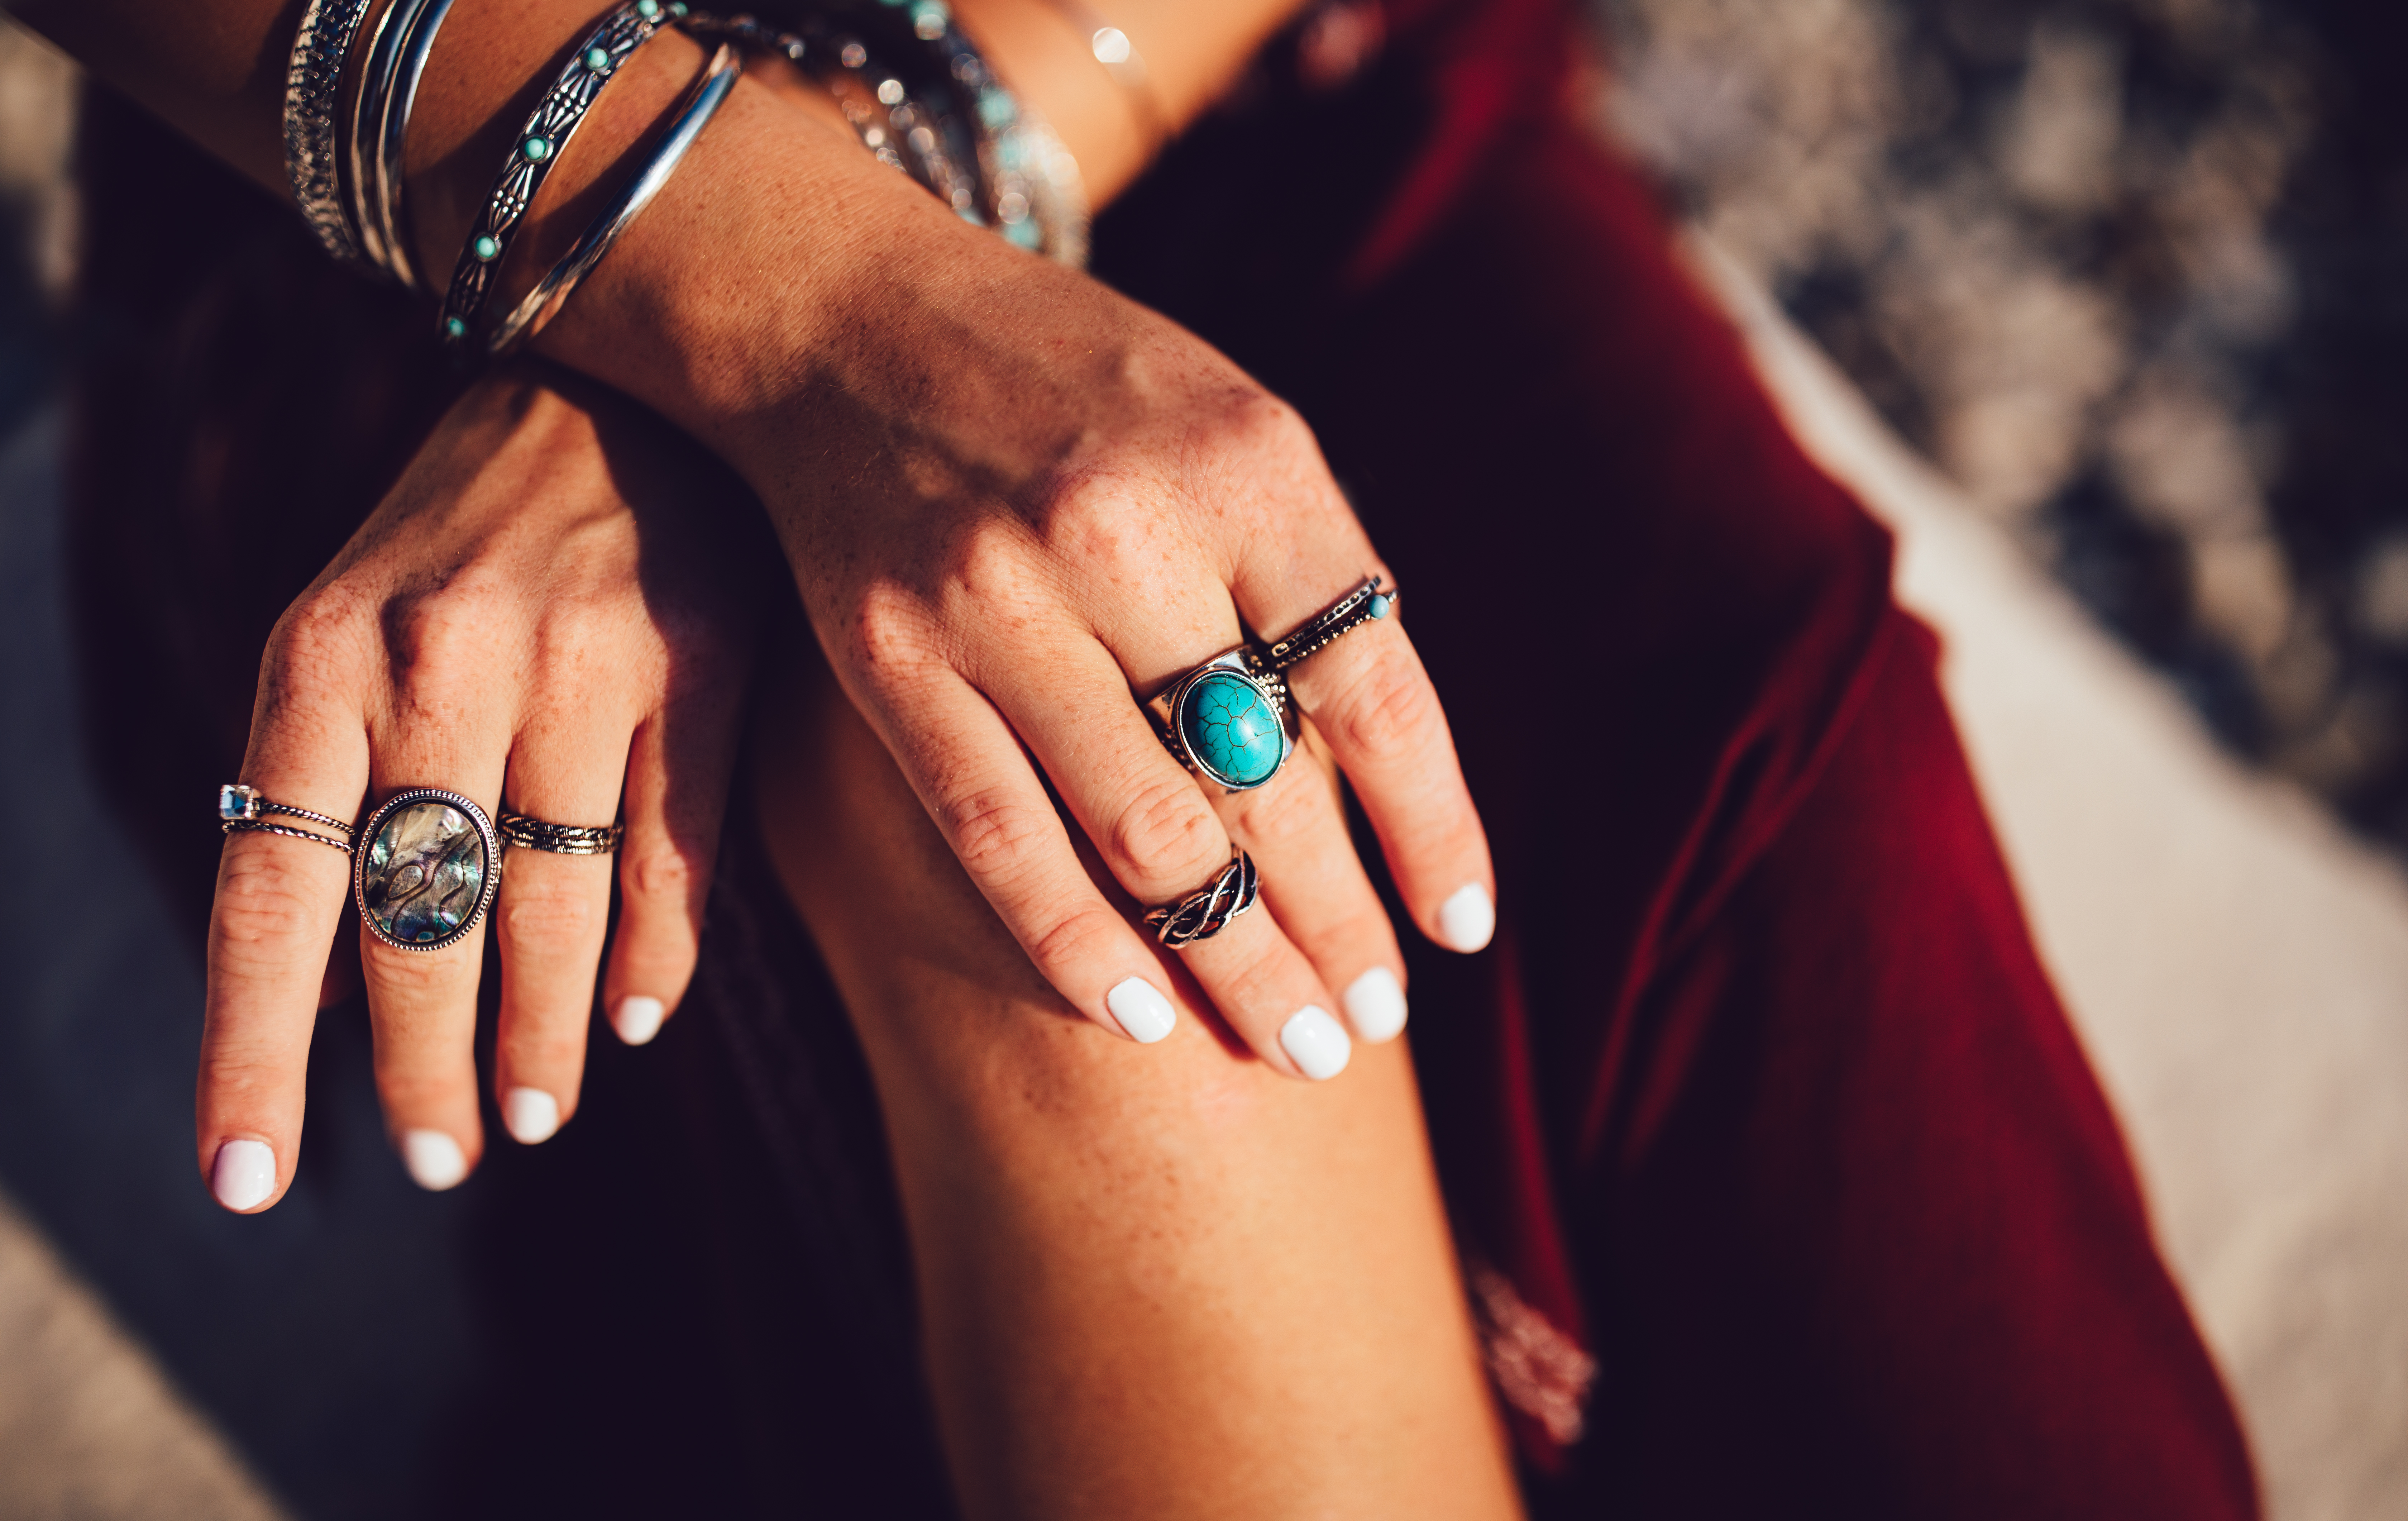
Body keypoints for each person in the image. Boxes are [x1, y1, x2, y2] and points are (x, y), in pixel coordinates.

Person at [19, 0, 2260, 1513]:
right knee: (1074, 866)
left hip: (1224, 84)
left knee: (1765, 799)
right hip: (401, 206)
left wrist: (840, 271)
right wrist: (763, 302)